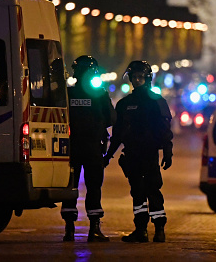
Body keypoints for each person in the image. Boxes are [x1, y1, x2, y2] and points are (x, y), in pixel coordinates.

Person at [103, 60, 173, 243]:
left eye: (140, 77)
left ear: (148, 78)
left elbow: (165, 129)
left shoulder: (156, 101)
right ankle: (140, 230)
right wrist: (109, 155)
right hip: (132, 154)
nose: (137, 80)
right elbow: (117, 134)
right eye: (134, 77)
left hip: (149, 154)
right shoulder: (124, 104)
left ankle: (159, 229)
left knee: (153, 190)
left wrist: (167, 152)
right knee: (137, 193)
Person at [61, 55, 116, 242]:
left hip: (71, 147)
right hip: (93, 147)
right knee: (94, 188)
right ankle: (94, 229)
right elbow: (111, 118)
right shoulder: (99, 94)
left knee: (70, 188)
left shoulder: (67, 94)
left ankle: (69, 230)